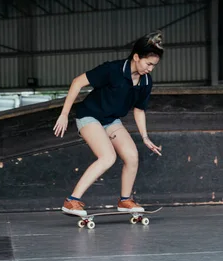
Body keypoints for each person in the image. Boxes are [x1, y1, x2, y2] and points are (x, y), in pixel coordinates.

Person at [53, 30, 164, 216]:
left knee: (132, 155)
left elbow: (139, 109)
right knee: (108, 157)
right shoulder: (112, 70)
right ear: (136, 57)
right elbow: (77, 82)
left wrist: (145, 137)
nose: (150, 68)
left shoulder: (146, 81)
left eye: (154, 65)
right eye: (148, 63)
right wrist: (64, 114)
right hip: (89, 115)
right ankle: (71, 201)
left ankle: (125, 200)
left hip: (111, 120)